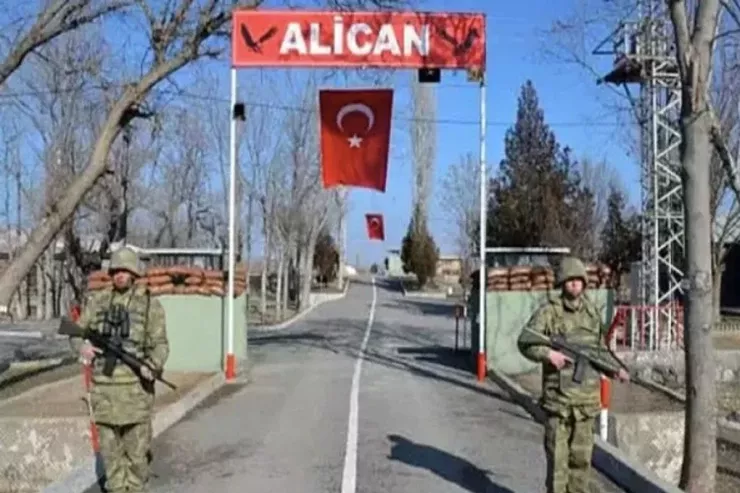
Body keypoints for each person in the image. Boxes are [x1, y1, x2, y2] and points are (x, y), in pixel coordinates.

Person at [517, 256, 629, 493]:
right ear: (562, 283)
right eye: (569, 280)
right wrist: (548, 354)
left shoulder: (591, 313)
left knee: (581, 464)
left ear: (584, 283)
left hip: (586, 405)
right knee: (558, 466)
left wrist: (615, 369)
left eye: (578, 280)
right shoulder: (549, 312)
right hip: (559, 405)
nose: (575, 284)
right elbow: (525, 341)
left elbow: (598, 352)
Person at [70, 246, 169, 493]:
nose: (120, 275)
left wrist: (153, 365)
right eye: (116, 270)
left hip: (135, 393)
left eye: (125, 270)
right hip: (104, 393)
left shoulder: (149, 304)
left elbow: (160, 344)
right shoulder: (98, 301)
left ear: (134, 273)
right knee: (111, 457)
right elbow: (75, 331)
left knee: (137, 458)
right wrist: (82, 347)